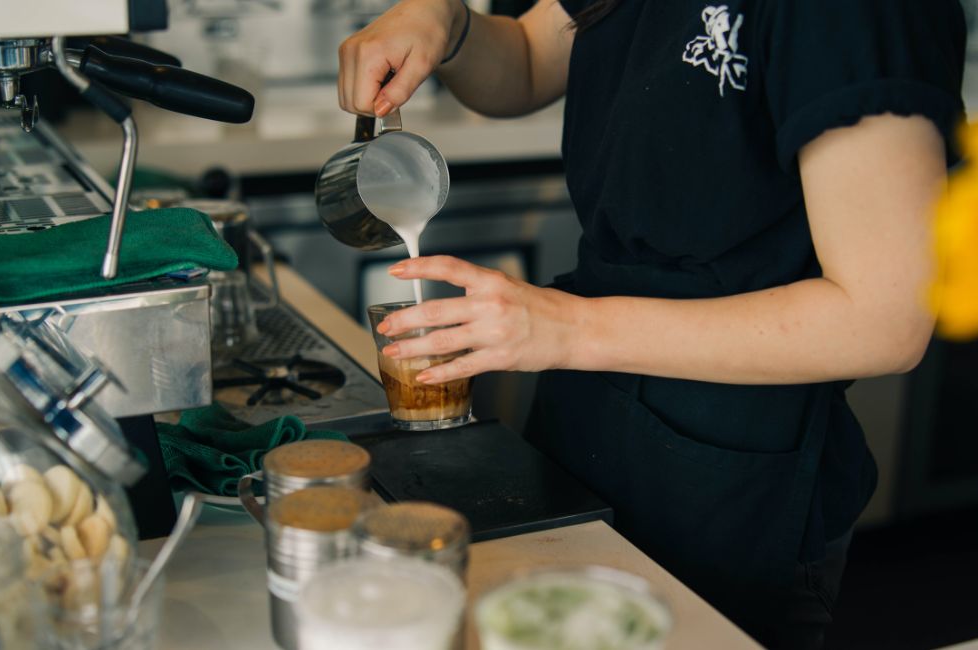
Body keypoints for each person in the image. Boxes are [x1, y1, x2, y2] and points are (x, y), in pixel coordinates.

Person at [338, 0, 966, 646]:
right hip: (584, 421)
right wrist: (451, 25)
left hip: (732, 473)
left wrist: (569, 330)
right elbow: (528, 59)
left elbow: (887, 318)